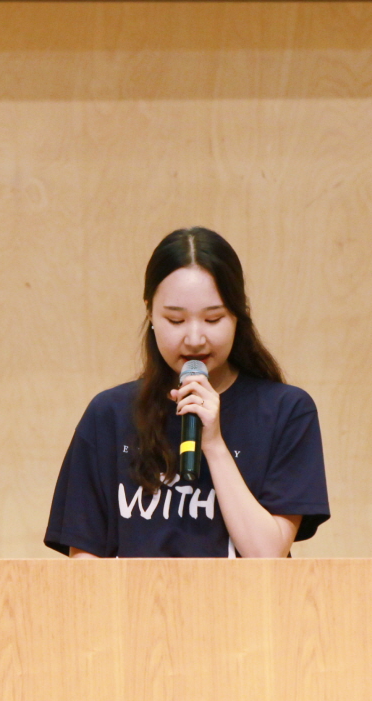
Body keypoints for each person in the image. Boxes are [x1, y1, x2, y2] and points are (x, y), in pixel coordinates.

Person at [45, 227, 329, 559]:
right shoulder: (109, 414)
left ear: (239, 314)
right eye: (176, 320)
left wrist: (214, 445)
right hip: (133, 596)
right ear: (151, 313)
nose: (195, 339)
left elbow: (268, 555)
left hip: (244, 596)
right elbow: (84, 561)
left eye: (213, 318)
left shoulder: (286, 411)